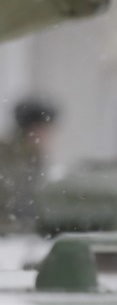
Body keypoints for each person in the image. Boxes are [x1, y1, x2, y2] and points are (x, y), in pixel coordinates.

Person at [0, 96, 59, 234]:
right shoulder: (8, 158)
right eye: (45, 129)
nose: (50, 136)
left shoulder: (34, 157)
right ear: (33, 129)